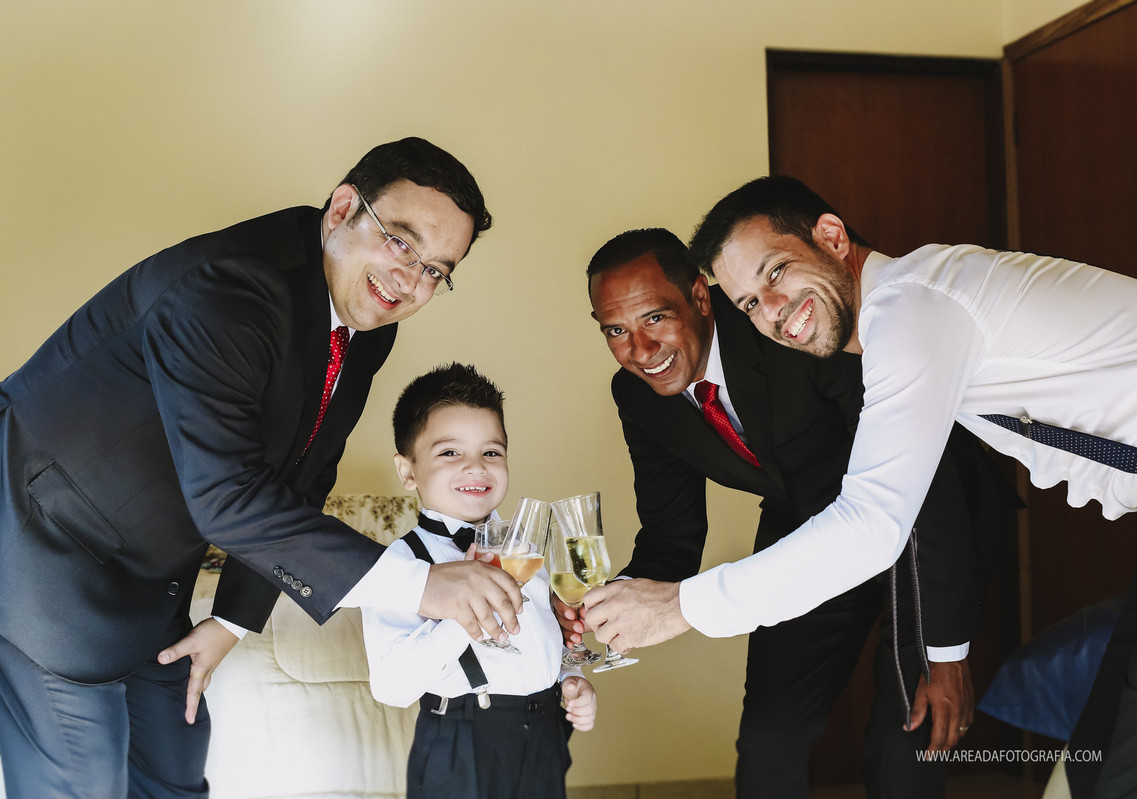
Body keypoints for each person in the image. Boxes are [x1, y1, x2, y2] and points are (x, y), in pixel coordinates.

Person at [583, 175, 1137, 797]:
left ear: (831, 237)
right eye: (748, 302)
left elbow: (877, 521)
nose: (771, 312)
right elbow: (674, 528)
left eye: (776, 273)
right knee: (1105, 749)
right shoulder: (901, 312)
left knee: (1131, 767)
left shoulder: (912, 309)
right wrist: (614, 603)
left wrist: (682, 607)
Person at [0, 138, 525, 798]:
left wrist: (232, 620)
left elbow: (305, 471)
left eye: (435, 271)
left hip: (147, 576)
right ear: (343, 209)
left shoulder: (365, 317)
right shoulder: (228, 287)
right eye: (400, 242)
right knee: (83, 782)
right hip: (47, 551)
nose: (409, 280)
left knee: (175, 769)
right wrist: (421, 585)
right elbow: (229, 495)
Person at [578, 228, 1011, 798]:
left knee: (908, 734)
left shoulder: (782, 324)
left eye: (655, 318)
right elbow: (671, 531)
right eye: (615, 330)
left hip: (920, 524)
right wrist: (613, 600)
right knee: (769, 736)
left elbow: (926, 468)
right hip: (806, 529)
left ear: (700, 297)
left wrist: (946, 651)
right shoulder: (638, 395)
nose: (640, 349)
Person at [363, 362, 597, 799]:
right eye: (450, 453)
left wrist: (569, 678)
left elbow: (541, 636)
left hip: (544, 733)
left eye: (491, 452)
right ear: (408, 471)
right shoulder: (399, 565)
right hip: (461, 742)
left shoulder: (523, 549)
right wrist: (464, 613)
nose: (476, 467)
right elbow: (391, 687)